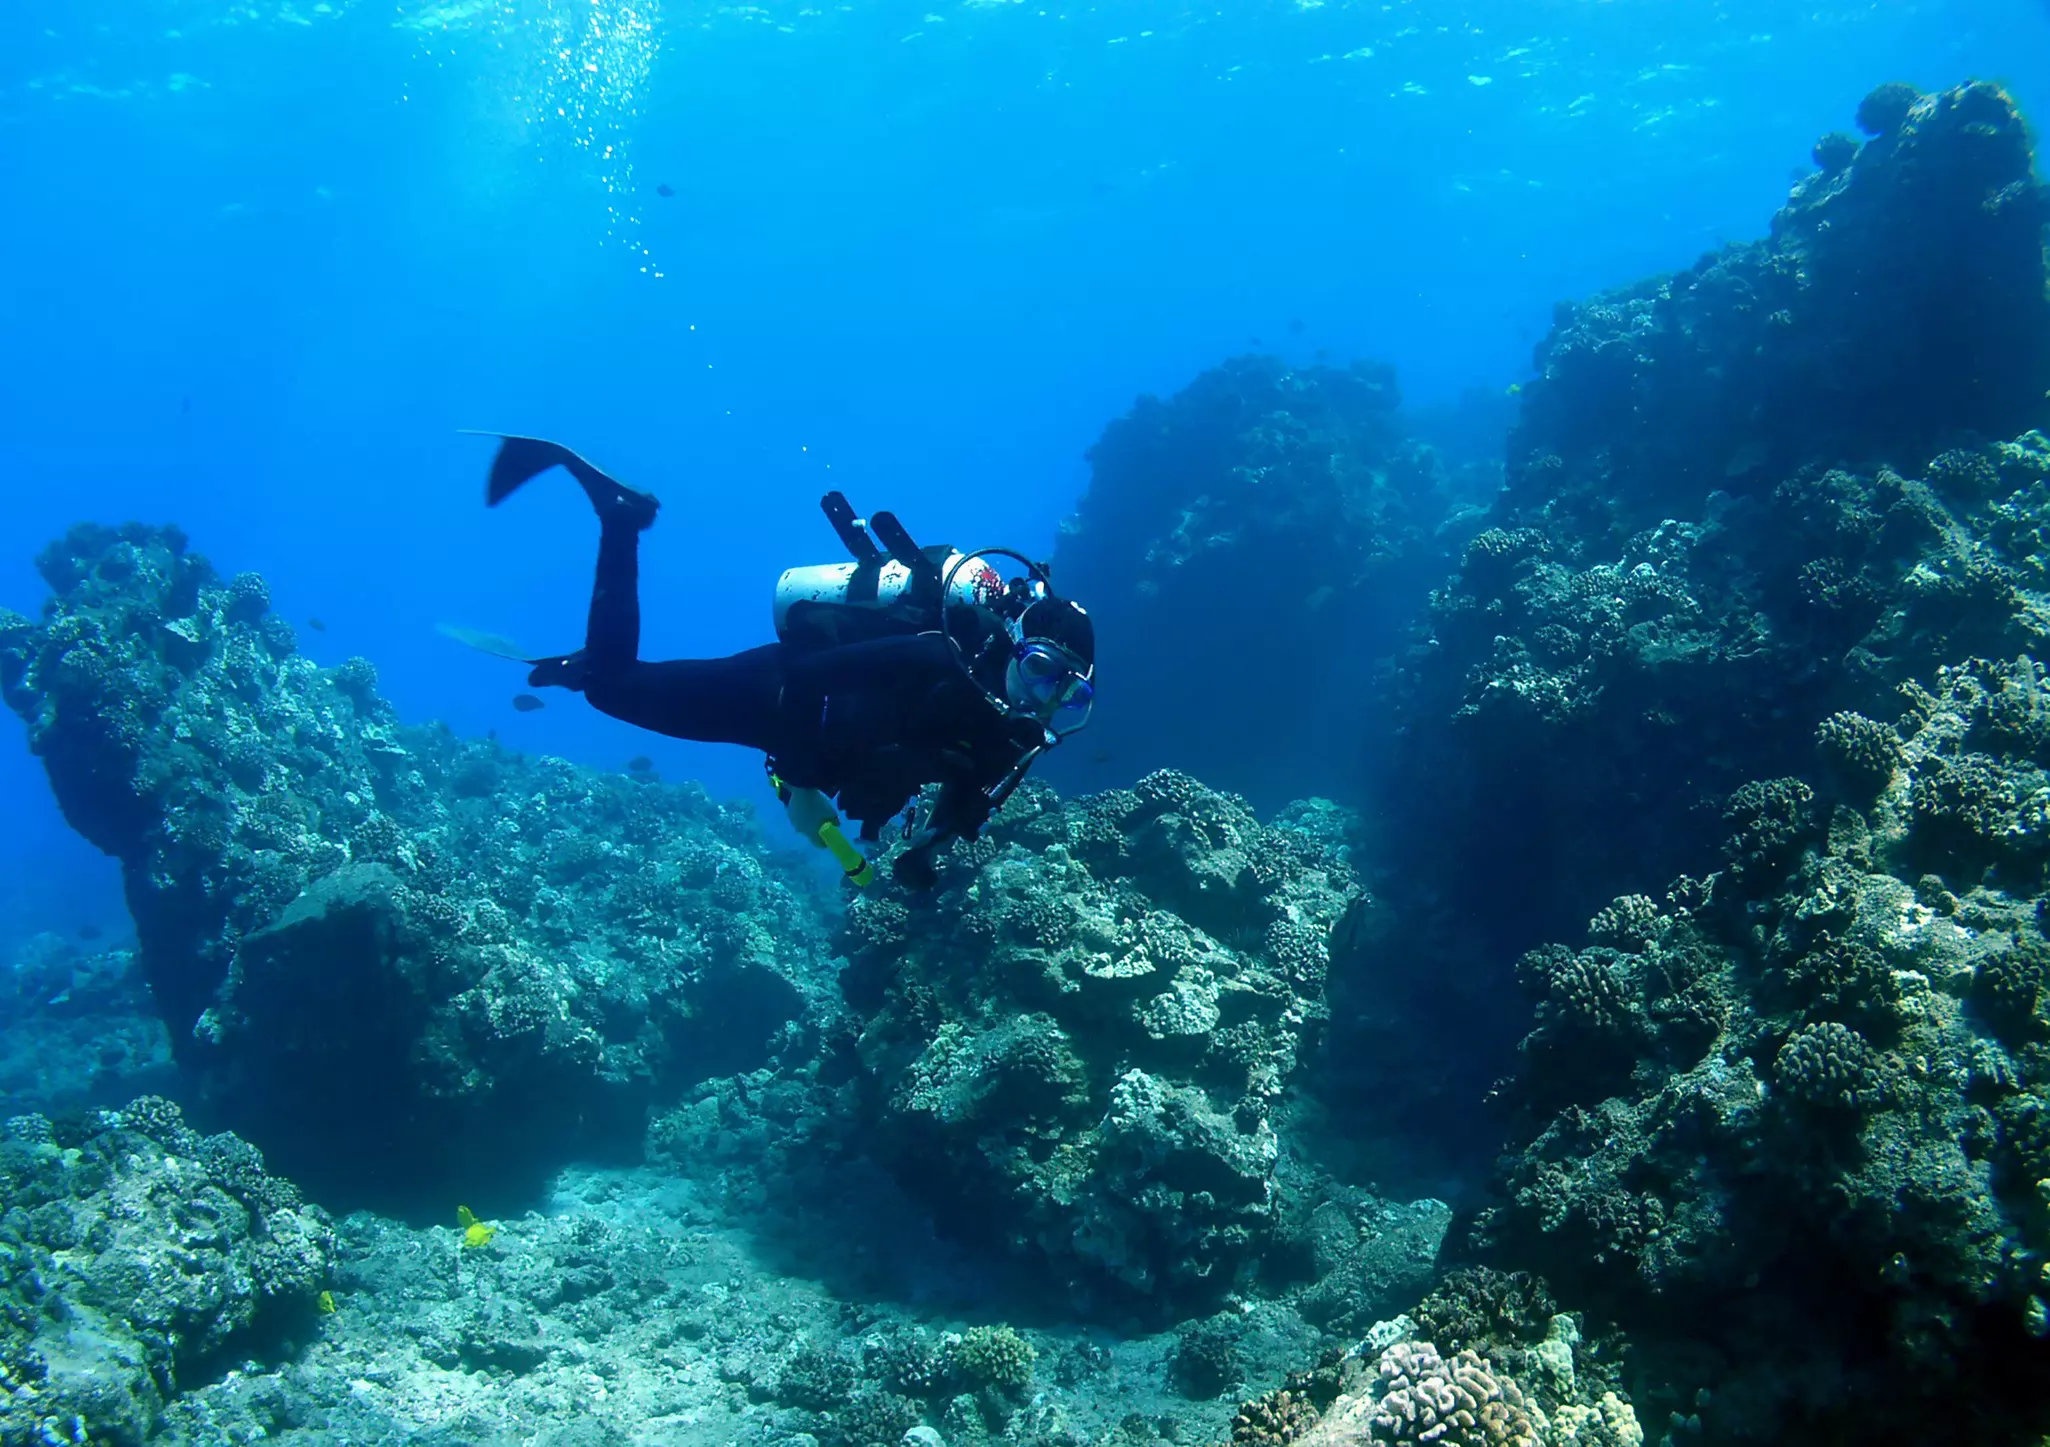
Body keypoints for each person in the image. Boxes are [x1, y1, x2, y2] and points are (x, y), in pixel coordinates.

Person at [473, 434, 1096, 890]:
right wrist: (801, 787)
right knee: (614, 690)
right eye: (1040, 671)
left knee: (613, 682)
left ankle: (587, 659)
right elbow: (805, 676)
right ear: (1015, 644)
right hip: (770, 694)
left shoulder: (1016, 734)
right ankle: (621, 519)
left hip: (801, 735)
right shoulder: (939, 658)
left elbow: (965, 796)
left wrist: (921, 852)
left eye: (1068, 697)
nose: (1041, 700)